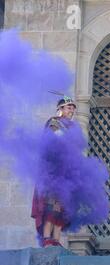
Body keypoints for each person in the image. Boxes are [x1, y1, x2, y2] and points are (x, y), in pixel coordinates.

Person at [31, 96, 77, 248]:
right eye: (69, 107)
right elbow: (55, 142)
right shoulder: (54, 123)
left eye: (73, 108)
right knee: (50, 206)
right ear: (61, 109)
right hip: (52, 170)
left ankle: (56, 240)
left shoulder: (71, 127)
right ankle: (46, 239)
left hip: (65, 171)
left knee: (61, 207)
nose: (72, 110)